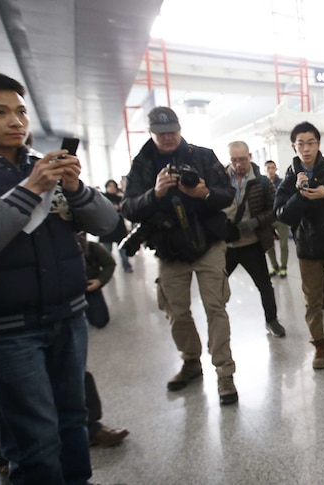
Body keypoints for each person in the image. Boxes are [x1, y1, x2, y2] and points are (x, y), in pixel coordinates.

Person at [0, 69, 119, 484]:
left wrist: (75, 188)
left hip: (68, 315)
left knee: (73, 420)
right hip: (5, 329)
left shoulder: (46, 167)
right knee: (33, 439)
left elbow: (108, 224)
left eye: (20, 111)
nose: (16, 121)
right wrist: (30, 189)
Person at [120, 106, 240, 405]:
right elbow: (128, 208)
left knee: (216, 308)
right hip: (170, 250)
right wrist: (155, 193)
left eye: (173, 130)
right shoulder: (143, 164)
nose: (168, 137)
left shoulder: (201, 155)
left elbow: (228, 194)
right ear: (151, 133)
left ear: (180, 128)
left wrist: (203, 193)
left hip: (208, 244)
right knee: (177, 312)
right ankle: (190, 362)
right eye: (161, 133)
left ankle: (225, 373)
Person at [273, 121, 324, 369]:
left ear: (318, 144)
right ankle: (319, 345)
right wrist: (299, 195)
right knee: (312, 302)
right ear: (294, 146)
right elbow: (282, 215)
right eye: (301, 143)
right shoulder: (289, 178)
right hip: (308, 249)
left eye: (311, 142)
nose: (306, 148)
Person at [225, 142, 286, 338]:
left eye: (242, 159)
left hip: (252, 244)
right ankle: (218, 328)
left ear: (249, 156)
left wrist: (255, 222)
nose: (238, 164)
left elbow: (274, 210)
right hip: (226, 246)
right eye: (233, 160)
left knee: (264, 285)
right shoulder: (220, 181)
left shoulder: (262, 182)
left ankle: (272, 320)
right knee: (216, 287)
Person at [79, 232, 115, 329]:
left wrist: (100, 281)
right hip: (67, 293)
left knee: (100, 321)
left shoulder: (92, 248)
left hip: (90, 287)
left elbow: (109, 263)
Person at [99, 179, 133, 272]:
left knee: (123, 249)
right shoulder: (102, 198)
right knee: (106, 252)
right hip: (106, 228)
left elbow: (126, 211)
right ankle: (107, 270)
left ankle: (127, 266)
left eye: (113, 186)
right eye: (110, 186)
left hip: (119, 228)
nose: (112, 188)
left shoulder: (120, 199)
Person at [263, 160, 290, 277]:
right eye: (268, 168)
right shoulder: (262, 183)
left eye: (272, 168)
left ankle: (283, 267)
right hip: (267, 219)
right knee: (269, 245)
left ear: (276, 169)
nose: (270, 170)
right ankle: (274, 266)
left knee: (283, 244)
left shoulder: (282, 183)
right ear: (265, 169)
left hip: (280, 219)